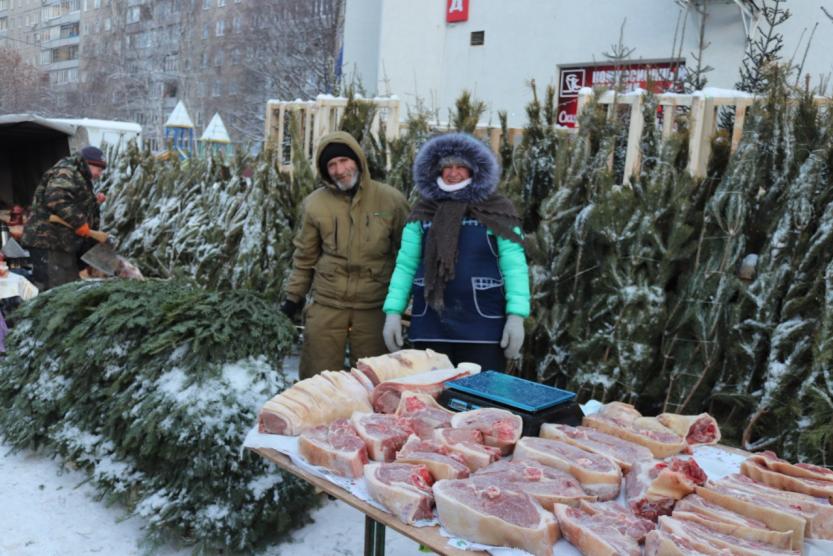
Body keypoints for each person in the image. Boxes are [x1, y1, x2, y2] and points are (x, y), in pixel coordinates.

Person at [382, 132, 530, 372]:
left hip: (483, 329)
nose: (453, 173)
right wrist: (392, 313)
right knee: (431, 402)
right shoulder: (422, 213)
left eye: (460, 166)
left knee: (482, 403)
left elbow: (514, 267)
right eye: (446, 167)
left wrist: (516, 316)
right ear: (435, 171)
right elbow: (405, 266)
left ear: (474, 170)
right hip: (430, 326)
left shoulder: (499, 211)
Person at [281, 131, 410, 380]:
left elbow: (409, 257)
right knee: (317, 380)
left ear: (358, 160)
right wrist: (292, 298)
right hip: (328, 304)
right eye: (332, 165)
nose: (340, 170)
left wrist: (406, 304)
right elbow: (304, 257)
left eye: (344, 161)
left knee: (377, 380)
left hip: (374, 306)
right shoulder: (315, 205)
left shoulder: (391, 201)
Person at [21, 146, 110, 291]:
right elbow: (57, 199)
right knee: (54, 291)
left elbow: (70, 199)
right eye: (99, 170)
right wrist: (79, 222)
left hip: (61, 243)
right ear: (88, 163)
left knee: (67, 289)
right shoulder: (66, 172)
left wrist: (93, 202)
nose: (99, 174)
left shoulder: (78, 174)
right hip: (48, 241)